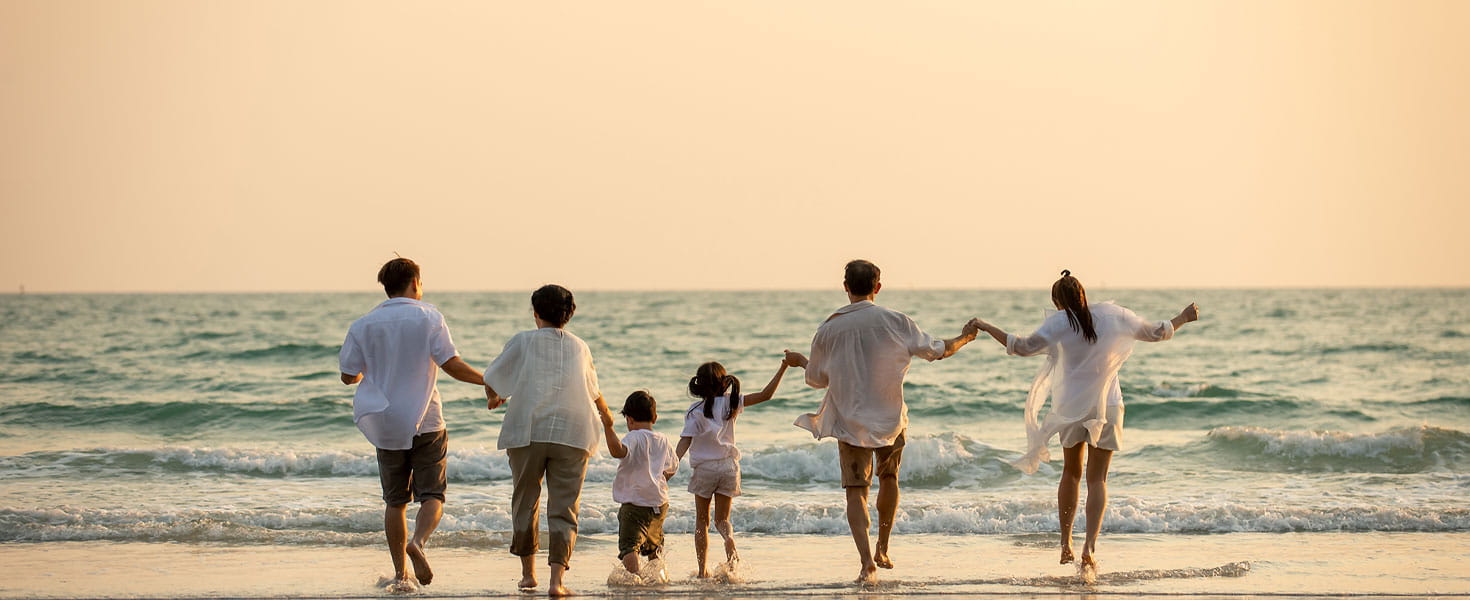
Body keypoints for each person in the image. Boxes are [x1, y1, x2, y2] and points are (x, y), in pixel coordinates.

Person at [969, 269, 1199, 575]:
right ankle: (1089, 547)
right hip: (1109, 406)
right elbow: (1155, 332)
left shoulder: (1058, 322)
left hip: (1070, 409)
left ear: (1057, 301)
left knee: (1071, 473)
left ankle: (1066, 543)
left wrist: (984, 325)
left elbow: (1020, 346)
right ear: (1083, 294)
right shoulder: (1115, 314)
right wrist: (1183, 317)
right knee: (1097, 480)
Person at [784, 259, 981, 583]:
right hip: (890, 419)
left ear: (845, 287)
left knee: (855, 491)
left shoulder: (828, 328)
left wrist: (799, 361)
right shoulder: (896, 321)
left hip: (849, 420)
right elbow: (938, 351)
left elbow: (817, 379)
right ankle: (883, 548)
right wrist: (966, 338)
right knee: (889, 479)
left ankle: (866, 563)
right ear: (877, 287)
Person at [338, 257, 486, 590]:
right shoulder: (429, 317)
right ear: (416, 282)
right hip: (426, 420)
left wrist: (370, 370)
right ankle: (418, 541)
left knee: (395, 501)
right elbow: (451, 364)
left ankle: (401, 574)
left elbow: (348, 376)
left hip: (386, 423)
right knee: (433, 495)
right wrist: (487, 381)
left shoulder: (363, 325)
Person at [482, 284, 608, 597]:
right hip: (573, 432)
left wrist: (494, 396)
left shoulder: (523, 341)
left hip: (528, 430)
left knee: (526, 500)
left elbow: (493, 375)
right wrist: (607, 417)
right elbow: (593, 390)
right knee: (565, 507)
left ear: (536, 313)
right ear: (570, 314)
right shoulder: (580, 346)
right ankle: (557, 582)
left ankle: (528, 576)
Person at [676, 357, 794, 578]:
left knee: (702, 521)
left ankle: (703, 571)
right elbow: (766, 394)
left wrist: (670, 465)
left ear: (699, 385)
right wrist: (783, 367)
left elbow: (685, 441)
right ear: (724, 383)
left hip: (705, 469)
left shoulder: (695, 410)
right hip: (730, 468)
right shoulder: (733, 402)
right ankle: (728, 538)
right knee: (723, 520)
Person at [598, 391, 679, 579]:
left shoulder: (634, 437)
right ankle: (658, 579)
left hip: (635, 505)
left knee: (629, 547)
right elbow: (673, 467)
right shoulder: (663, 439)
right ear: (655, 417)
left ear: (629, 419)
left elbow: (618, 451)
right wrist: (659, 479)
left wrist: (609, 427)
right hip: (659, 504)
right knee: (654, 546)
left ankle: (637, 581)